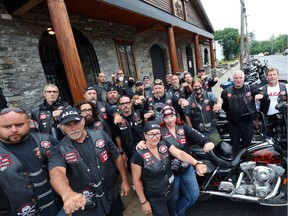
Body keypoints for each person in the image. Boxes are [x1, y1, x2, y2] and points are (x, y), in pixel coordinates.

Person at [48, 107, 130, 216]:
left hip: (112, 196)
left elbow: (116, 157)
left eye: (76, 122)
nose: (73, 128)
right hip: (86, 206)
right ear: (62, 127)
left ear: (83, 121)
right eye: (68, 125)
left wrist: (125, 180)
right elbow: (56, 173)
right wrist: (67, 194)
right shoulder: (59, 149)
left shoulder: (100, 135)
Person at [130, 121, 207, 216]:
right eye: (151, 134)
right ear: (145, 135)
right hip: (156, 198)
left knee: (172, 213)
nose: (155, 137)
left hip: (171, 192)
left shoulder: (164, 144)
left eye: (157, 133)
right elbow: (136, 180)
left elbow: (180, 154)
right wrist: (144, 202)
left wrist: (196, 163)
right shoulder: (138, 155)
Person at [0, 107, 64, 216]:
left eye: (19, 125)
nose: (14, 130)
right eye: (7, 126)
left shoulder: (46, 141)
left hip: (59, 210)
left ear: (28, 123)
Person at [221, 70, 265, 153]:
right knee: (234, 145)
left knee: (247, 145)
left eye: (240, 78)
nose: (238, 80)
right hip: (233, 124)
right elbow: (224, 106)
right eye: (236, 78)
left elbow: (262, 93)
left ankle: (246, 162)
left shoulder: (250, 88)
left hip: (247, 123)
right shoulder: (226, 92)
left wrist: (261, 94)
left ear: (243, 78)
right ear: (233, 79)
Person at [184, 78, 222, 144]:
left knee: (217, 147)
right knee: (204, 151)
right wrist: (191, 129)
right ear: (192, 87)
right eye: (195, 86)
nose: (197, 88)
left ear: (202, 85)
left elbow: (218, 99)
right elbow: (187, 115)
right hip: (199, 131)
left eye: (199, 86)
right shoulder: (189, 100)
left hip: (212, 129)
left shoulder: (209, 95)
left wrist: (219, 104)